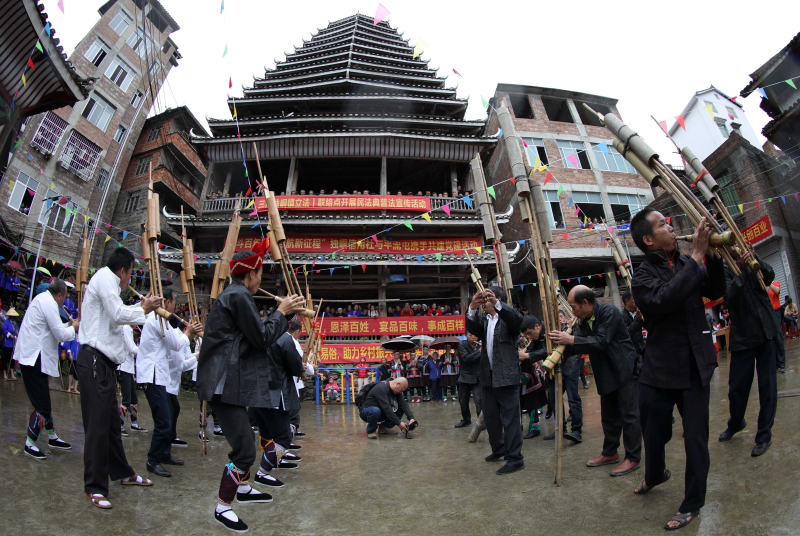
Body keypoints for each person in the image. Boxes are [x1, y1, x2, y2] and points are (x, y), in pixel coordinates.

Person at [196, 242, 304, 532]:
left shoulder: (235, 295)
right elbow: (261, 338)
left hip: (229, 383)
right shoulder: (239, 296)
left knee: (246, 443)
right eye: (260, 272)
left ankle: (242, 488)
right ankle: (222, 507)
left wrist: (279, 315)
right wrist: (281, 312)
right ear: (251, 274)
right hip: (223, 384)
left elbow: (255, 336)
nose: (261, 279)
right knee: (244, 450)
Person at [630, 209, 724, 531]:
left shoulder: (687, 262)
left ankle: (691, 503)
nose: (670, 227)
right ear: (648, 239)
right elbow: (666, 299)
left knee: (696, 438)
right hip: (659, 368)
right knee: (654, 432)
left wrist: (710, 256)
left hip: (696, 364)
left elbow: (715, 289)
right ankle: (655, 474)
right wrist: (697, 255)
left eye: (668, 223)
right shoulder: (642, 276)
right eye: (662, 225)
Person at [77, 248, 163, 509]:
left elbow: (115, 316)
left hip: (104, 365)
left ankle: (123, 472)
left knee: (112, 424)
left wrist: (141, 310)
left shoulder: (110, 286)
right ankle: (94, 485)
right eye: (130, 274)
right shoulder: (105, 279)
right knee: (98, 425)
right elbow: (117, 313)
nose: (129, 281)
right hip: (93, 360)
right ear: (123, 270)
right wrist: (142, 308)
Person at [549, 286, 641, 476]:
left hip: (622, 369)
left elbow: (601, 341)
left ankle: (632, 457)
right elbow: (580, 343)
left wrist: (571, 340)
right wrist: (559, 347)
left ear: (586, 303)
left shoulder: (609, 312)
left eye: (574, 307)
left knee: (629, 415)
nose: (573, 311)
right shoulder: (582, 320)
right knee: (608, 416)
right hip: (605, 372)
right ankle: (610, 452)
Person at [136, 288, 201, 478]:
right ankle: (152, 459)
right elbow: (176, 343)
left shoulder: (162, 320)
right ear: (168, 302)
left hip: (158, 376)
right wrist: (188, 332)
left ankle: (163, 454)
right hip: (152, 376)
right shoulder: (157, 319)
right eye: (174, 302)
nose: (175, 306)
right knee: (164, 421)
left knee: (169, 416)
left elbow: (174, 340)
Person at [718, 254, 778, 457]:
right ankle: (736, 422)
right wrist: (742, 271)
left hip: (766, 329)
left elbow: (769, 275)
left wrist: (756, 261)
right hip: (743, 336)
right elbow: (729, 296)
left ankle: (764, 436)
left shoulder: (751, 257)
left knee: (768, 387)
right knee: (737, 389)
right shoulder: (724, 268)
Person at [13, 279, 79, 460]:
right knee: (41, 405)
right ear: (59, 295)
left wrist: (69, 326)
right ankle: (30, 443)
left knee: (45, 401)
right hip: (34, 357)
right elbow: (60, 334)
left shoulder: (44, 300)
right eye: (65, 296)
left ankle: (52, 437)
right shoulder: (49, 303)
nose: (65, 301)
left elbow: (54, 329)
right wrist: (73, 327)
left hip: (34, 356)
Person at [465, 286, 524, 475]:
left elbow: (517, 322)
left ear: (497, 299)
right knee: (491, 418)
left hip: (506, 377)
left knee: (511, 419)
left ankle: (515, 458)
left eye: (487, 299)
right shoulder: (485, 321)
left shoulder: (508, 319)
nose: (485, 302)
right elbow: (471, 328)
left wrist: (499, 304)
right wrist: (472, 307)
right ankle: (498, 449)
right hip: (488, 377)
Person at [251, 319, 305, 491]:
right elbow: (296, 367)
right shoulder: (284, 339)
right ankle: (263, 472)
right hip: (275, 393)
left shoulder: (257, 335)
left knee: (267, 434)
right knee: (283, 437)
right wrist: (301, 368)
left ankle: (275, 460)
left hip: (256, 390)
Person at [518, 316, 550, 440]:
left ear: (537, 326)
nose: (529, 337)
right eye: (527, 335)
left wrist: (526, 355)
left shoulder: (548, 331)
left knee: (535, 403)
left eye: (530, 333)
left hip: (534, 379)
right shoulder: (534, 338)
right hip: (529, 380)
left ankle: (536, 427)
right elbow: (530, 349)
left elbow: (546, 350)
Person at [118, 324, 144, 435]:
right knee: (126, 400)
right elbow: (132, 348)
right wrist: (146, 349)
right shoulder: (125, 328)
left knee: (134, 400)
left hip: (129, 369)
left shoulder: (129, 329)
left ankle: (134, 424)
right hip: (123, 367)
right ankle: (119, 425)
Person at [455, 331, 481, 428]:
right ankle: (466, 420)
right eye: (470, 335)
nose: (473, 337)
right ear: (467, 336)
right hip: (465, 377)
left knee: (479, 400)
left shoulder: (480, 345)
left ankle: (481, 421)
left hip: (478, 377)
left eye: (475, 335)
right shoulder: (462, 345)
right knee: (463, 401)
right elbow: (466, 358)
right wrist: (479, 353)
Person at [621, 292, 644, 378]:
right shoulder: (622, 316)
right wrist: (637, 321)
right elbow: (626, 333)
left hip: (642, 349)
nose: (636, 302)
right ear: (627, 302)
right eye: (633, 300)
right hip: (632, 353)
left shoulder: (639, 313)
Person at [767, 280, 786, 373]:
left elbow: (777, 291)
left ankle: (782, 364)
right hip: (768, 314)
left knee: (778, 338)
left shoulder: (775, 283)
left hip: (776, 312)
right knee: (772, 340)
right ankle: (775, 364)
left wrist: (768, 283)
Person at [2, 306, 19, 380]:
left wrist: (15, 336)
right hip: (7, 343)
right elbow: (4, 329)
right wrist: (10, 335)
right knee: (6, 358)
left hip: (13, 344)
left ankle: (12, 373)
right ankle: (5, 373)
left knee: (12, 359)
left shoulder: (14, 323)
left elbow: (16, 331)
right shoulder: (7, 322)